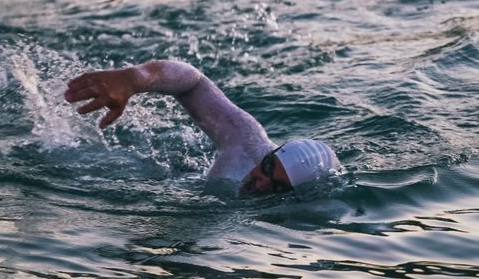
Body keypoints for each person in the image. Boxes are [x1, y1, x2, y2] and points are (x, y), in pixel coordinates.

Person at [64, 60, 341, 196]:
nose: (261, 182)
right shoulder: (248, 144)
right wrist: (133, 79)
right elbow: (194, 82)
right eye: (268, 167)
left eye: (278, 186)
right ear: (270, 154)